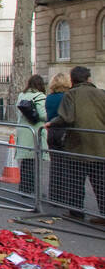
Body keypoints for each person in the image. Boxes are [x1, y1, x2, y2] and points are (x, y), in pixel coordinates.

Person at [48, 66, 105, 220]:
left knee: (75, 182)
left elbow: (67, 117)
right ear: (89, 79)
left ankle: (75, 213)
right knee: (101, 184)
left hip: (78, 145)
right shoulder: (101, 93)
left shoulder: (71, 94)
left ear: (72, 80)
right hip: (100, 146)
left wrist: (52, 123)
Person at [14, 74, 47, 198]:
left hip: (23, 130)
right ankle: (33, 190)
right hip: (35, 130)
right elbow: (43, 115)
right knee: (35, 161)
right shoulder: (40, 96)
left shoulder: (22, 95)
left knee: (27, 161)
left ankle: (25, 188)